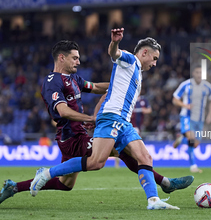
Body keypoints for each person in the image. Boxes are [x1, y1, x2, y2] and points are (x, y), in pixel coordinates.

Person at [0, 39, 193, 205]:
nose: (79, 61)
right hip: (70, 137)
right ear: (61, 57)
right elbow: (62, 110)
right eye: (74, 57)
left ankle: (14, 187)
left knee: (64, 185)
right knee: (121, 148)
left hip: (80, 134)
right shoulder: (53, 81)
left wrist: (121, 84)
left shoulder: (74, 78)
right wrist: (89, 118)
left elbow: (94, 87)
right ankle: (165, 183)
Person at [172, 65, 211, 173]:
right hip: (187, 116)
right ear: (193, 73)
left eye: (201, 73)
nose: (199, 75)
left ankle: (181, 138)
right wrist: (185, 105)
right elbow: (175, 99)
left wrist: (210, 114)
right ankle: (193, 166)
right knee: (191, 139)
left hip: (200, 119)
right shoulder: (186, 85)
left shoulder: (207, 86)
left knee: (195, 143)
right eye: (197, 72)